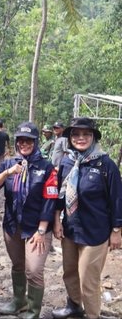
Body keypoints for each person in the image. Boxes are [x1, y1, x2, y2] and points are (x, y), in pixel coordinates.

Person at [52, 117, 122, 319]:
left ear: (93, 137)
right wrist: (57, 220)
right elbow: (60, 194)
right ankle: (74, 306)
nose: (81, 138)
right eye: (76, 134)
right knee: (70, 272)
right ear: (70, 137)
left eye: (86, 134)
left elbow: (117, 199)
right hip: (71, 228)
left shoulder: (105, 164)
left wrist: (116, 231)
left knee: (88, 281)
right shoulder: (67, 161)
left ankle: (92, 314)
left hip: (96, 231)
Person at [0, 122, 58, 318]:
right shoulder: (10, 163)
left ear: (35, 142)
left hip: (37, 227)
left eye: (29, 140)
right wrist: (8, 172)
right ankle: (19, 301)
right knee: (17, 265)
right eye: (21, 140)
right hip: (12, 225)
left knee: (33, 270)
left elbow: (50, 199)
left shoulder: (46, 167)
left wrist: (42, 229)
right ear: (17, 142)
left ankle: (33, 310)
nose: (24, 144)